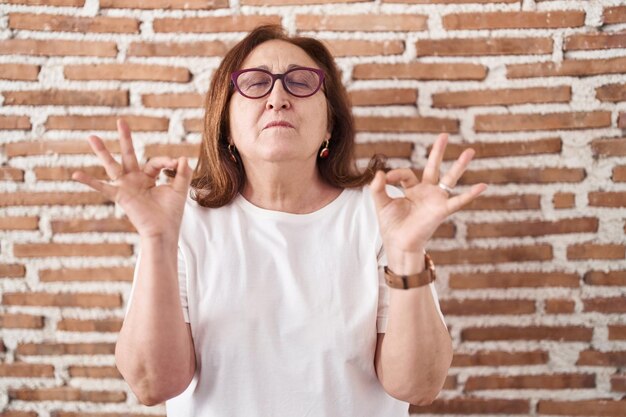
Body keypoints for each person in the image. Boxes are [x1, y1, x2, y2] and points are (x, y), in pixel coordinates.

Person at [72, 24, 486, 417]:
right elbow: (152, 384)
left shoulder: (383, 211)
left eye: (301, 82)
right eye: (255, 83)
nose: (277, 98)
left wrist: (408, 252)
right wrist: (157, 238)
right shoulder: (183, 218)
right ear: (227, 127)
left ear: (330, 126)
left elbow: (418, 386)